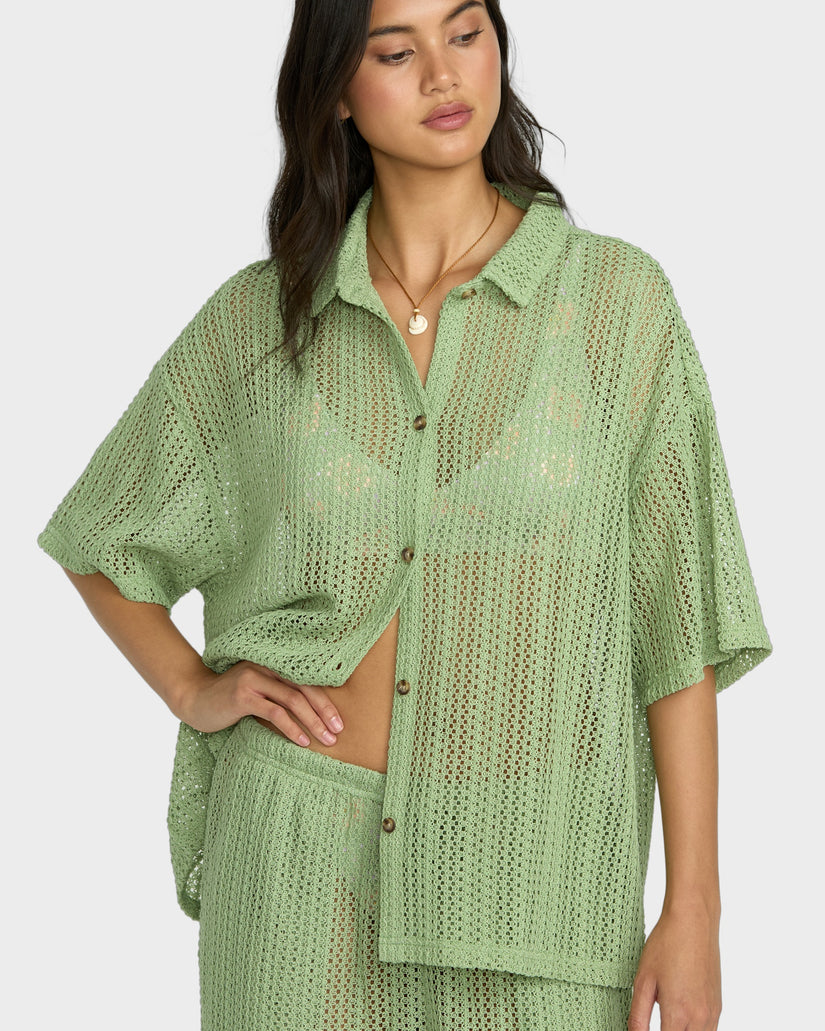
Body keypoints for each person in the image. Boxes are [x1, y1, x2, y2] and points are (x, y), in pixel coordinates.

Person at [37, 0, 772, 1028]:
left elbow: (675, 626)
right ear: (337, 90)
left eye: (465, 34)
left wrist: (695, 906)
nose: (442, 74)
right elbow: (105, 534)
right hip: (294, 880)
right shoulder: (263, 320)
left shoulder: (618, 307)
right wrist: (192, 687)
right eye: (396, 51)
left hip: (539, 886)